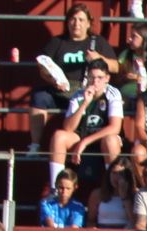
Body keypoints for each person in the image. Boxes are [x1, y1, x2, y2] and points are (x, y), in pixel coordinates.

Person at [29, 5, 117, 153]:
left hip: (86, 91)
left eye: (81, 20)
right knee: (38, 96)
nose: (76, 23)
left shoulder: (97, 42)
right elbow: (42, 68)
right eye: (73, 19)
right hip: (60, 89)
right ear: (67, 22)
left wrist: (99, 57)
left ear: (88, 23)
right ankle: (35, 145)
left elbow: (115, 67)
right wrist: (53, 81)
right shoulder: (57, 42)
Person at [45, 59, 124, 192]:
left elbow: (115, 127)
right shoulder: (78, 95)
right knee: (59, 136)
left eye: (100, 78)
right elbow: (68, 128)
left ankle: (115, 189)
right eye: (92, 77)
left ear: (107, 79)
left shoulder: (113, 94)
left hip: (103, 138)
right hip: (81, 135)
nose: (95, 82)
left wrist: (85, 142)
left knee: (110, 140)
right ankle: (55, 189)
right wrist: (85, 104)